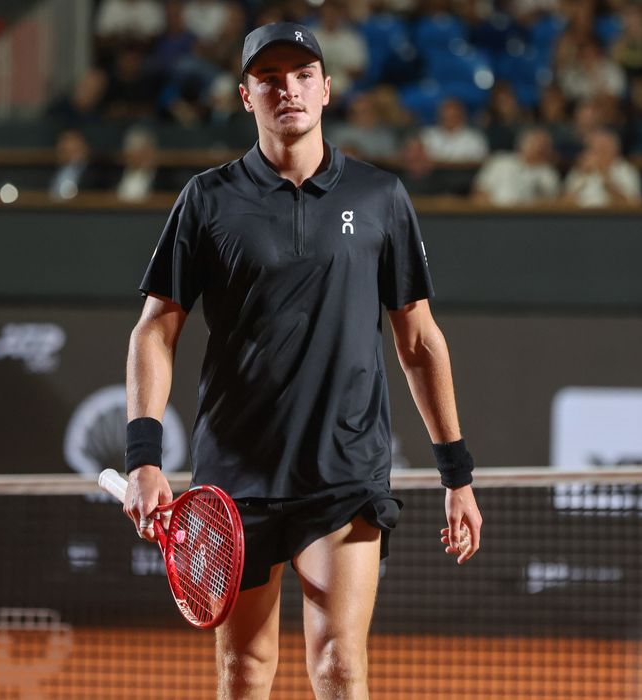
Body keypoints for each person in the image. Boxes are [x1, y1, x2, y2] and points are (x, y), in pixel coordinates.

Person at [121, 22, 483, 699]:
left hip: (342, 471)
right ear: (246, 95)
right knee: (244, 669)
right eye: (269, 78)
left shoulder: (380, 198)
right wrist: (144, 456)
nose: (286, 88)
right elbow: (154, 330)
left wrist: (455, 473)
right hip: (234, 476)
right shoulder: (207, 200)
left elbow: (419, 340)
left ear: (326, 89)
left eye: (301, 75)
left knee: (341, 665)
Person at [470, 128, 560, 207]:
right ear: (524, 144)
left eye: (545, 145)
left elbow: (551, 202)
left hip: (527, 218)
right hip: (493, 214)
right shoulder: (500, 160)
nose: (540, 148)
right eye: (537, 143)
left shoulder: (549, 173)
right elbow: (479, 191)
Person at [562, 128, 642, 207]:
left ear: (615, 150)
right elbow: (562, 204)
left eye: (603, 148)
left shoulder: (626, 171)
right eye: (594, 148)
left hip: (613, 218)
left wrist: (605, 177)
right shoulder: (578, 171)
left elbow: (631, 204)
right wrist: (583, 176)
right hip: (579, 217)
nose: (598, 153)